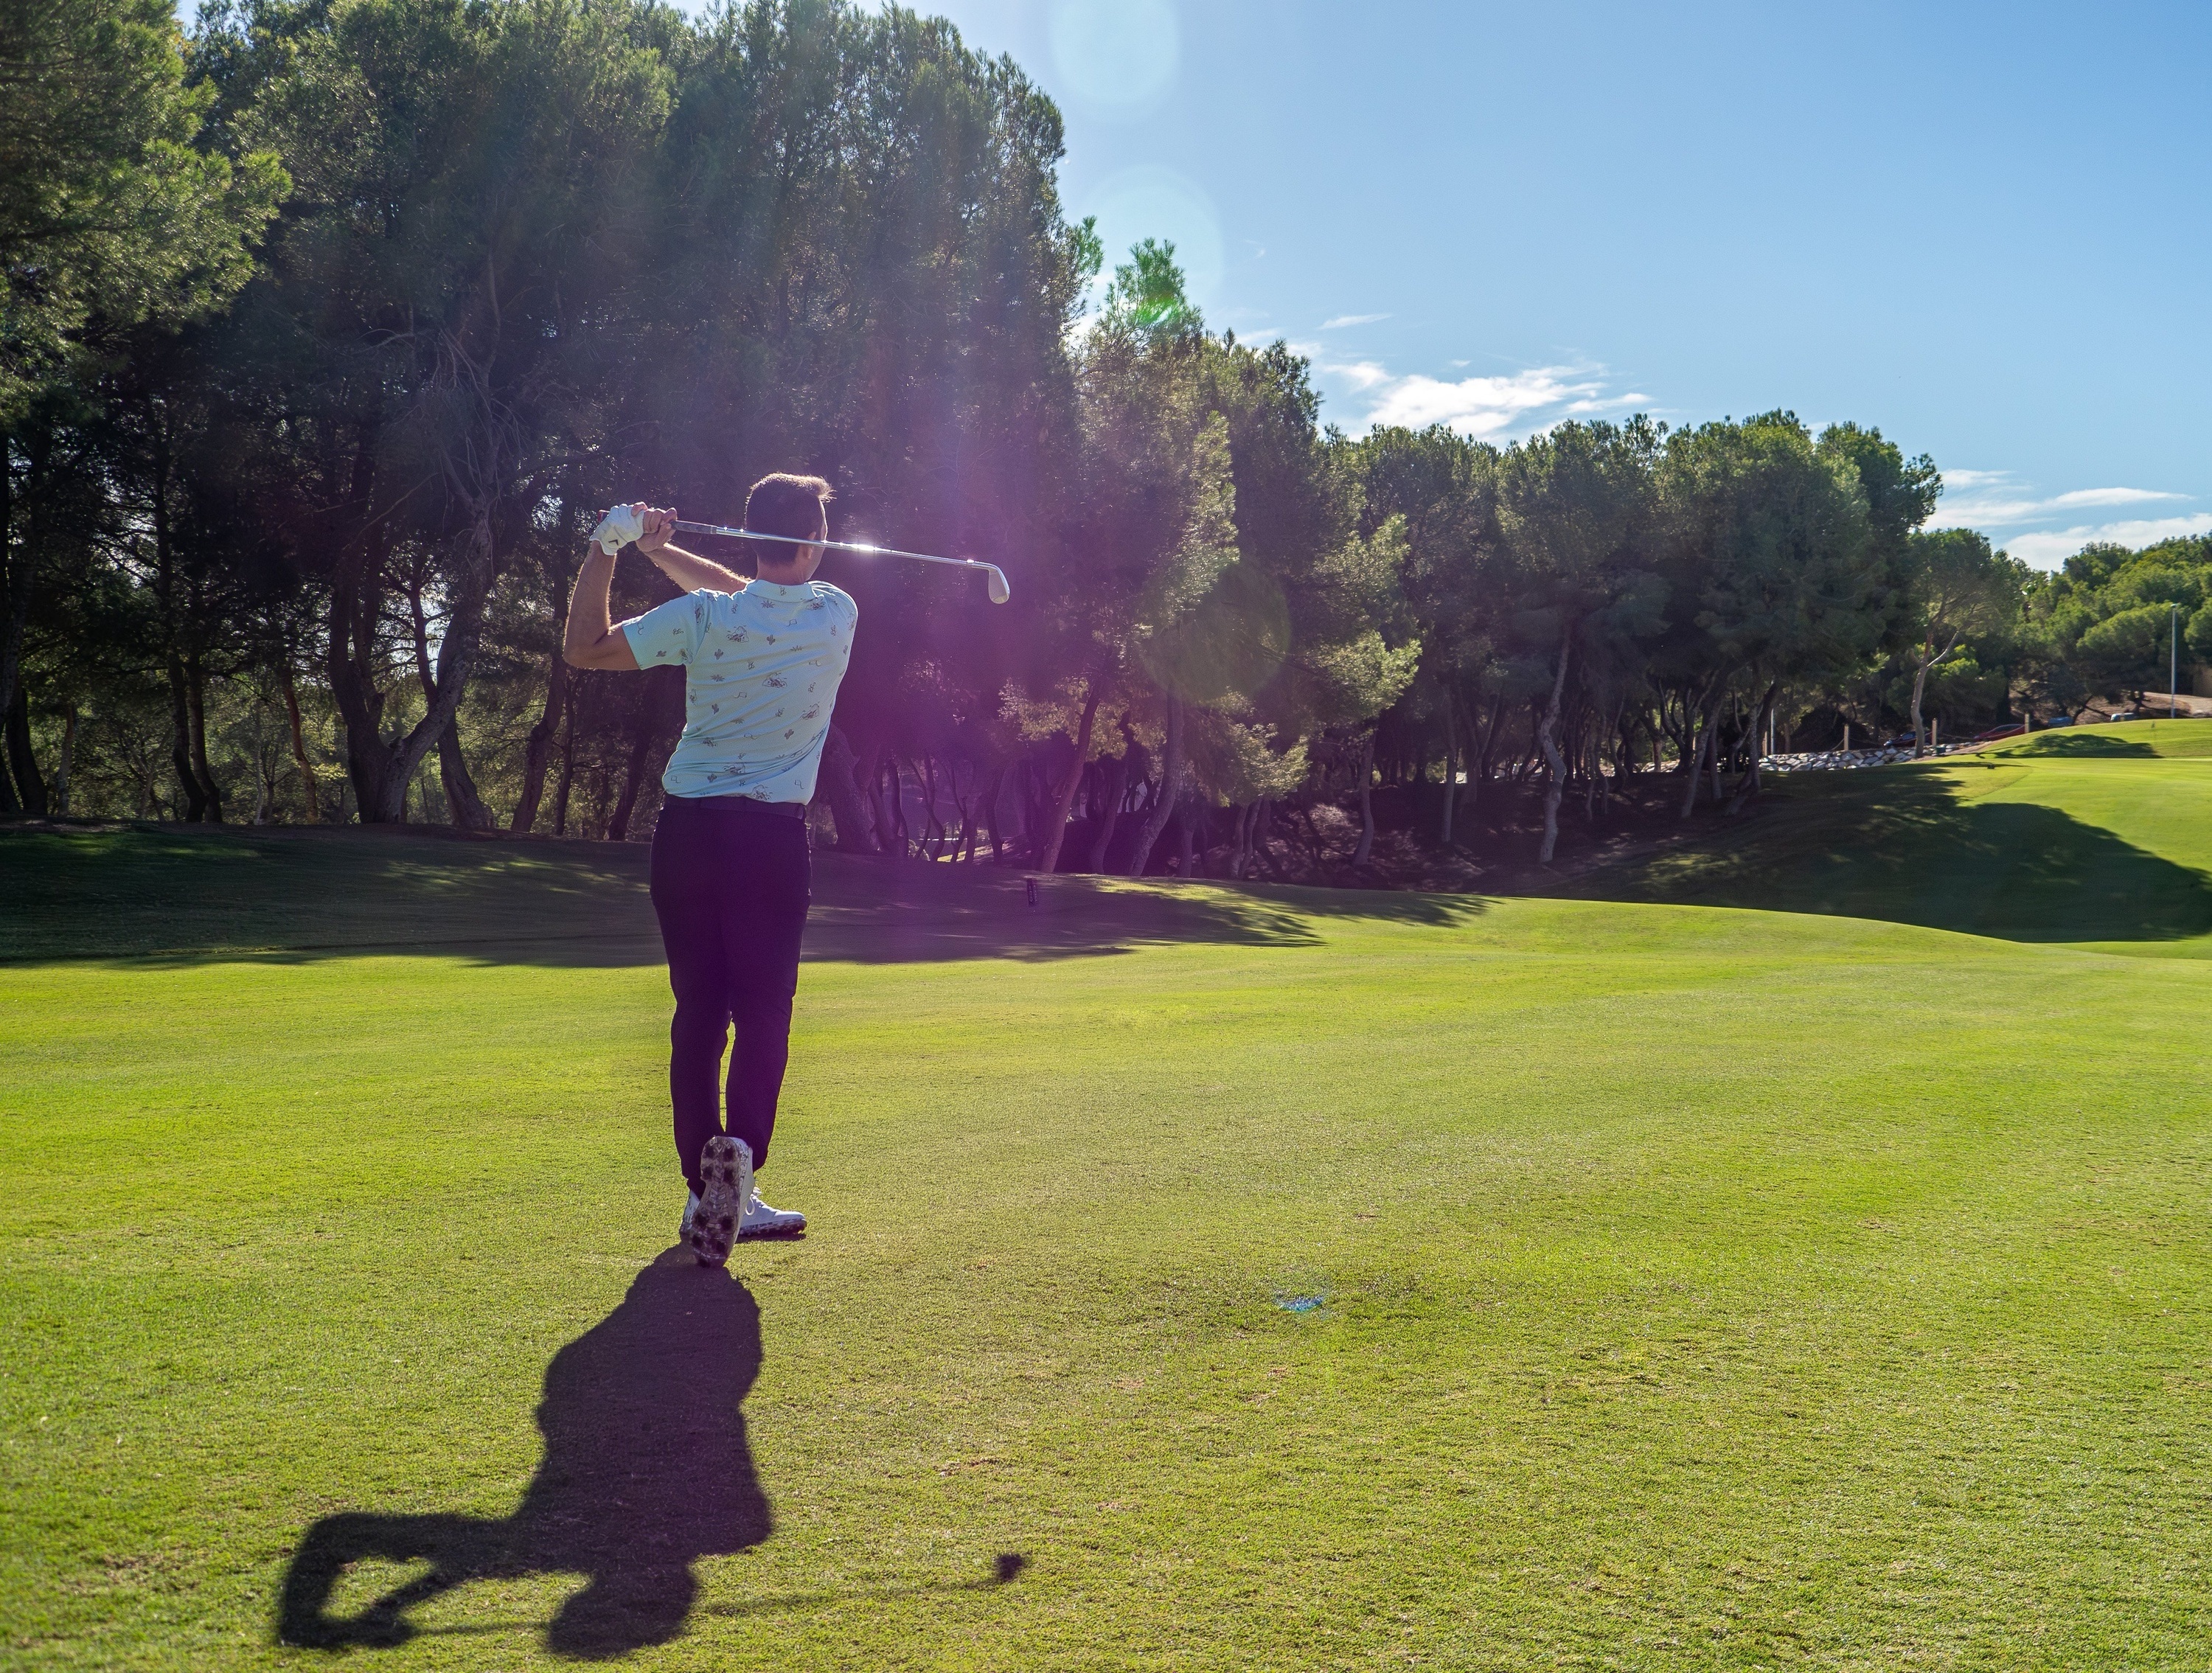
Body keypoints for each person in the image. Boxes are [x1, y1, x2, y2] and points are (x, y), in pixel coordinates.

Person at [562, 474, 858, 1265]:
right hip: (769, 842)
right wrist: (665, 553)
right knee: (764, 1012)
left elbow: (583, 647)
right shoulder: (837, 614)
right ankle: (742, 1165)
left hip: (688, 836)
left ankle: (706, 1188)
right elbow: (758, 591)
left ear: (756, 538)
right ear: (815, 542)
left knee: (700, 1012)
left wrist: (611, 548)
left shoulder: (705, 618)